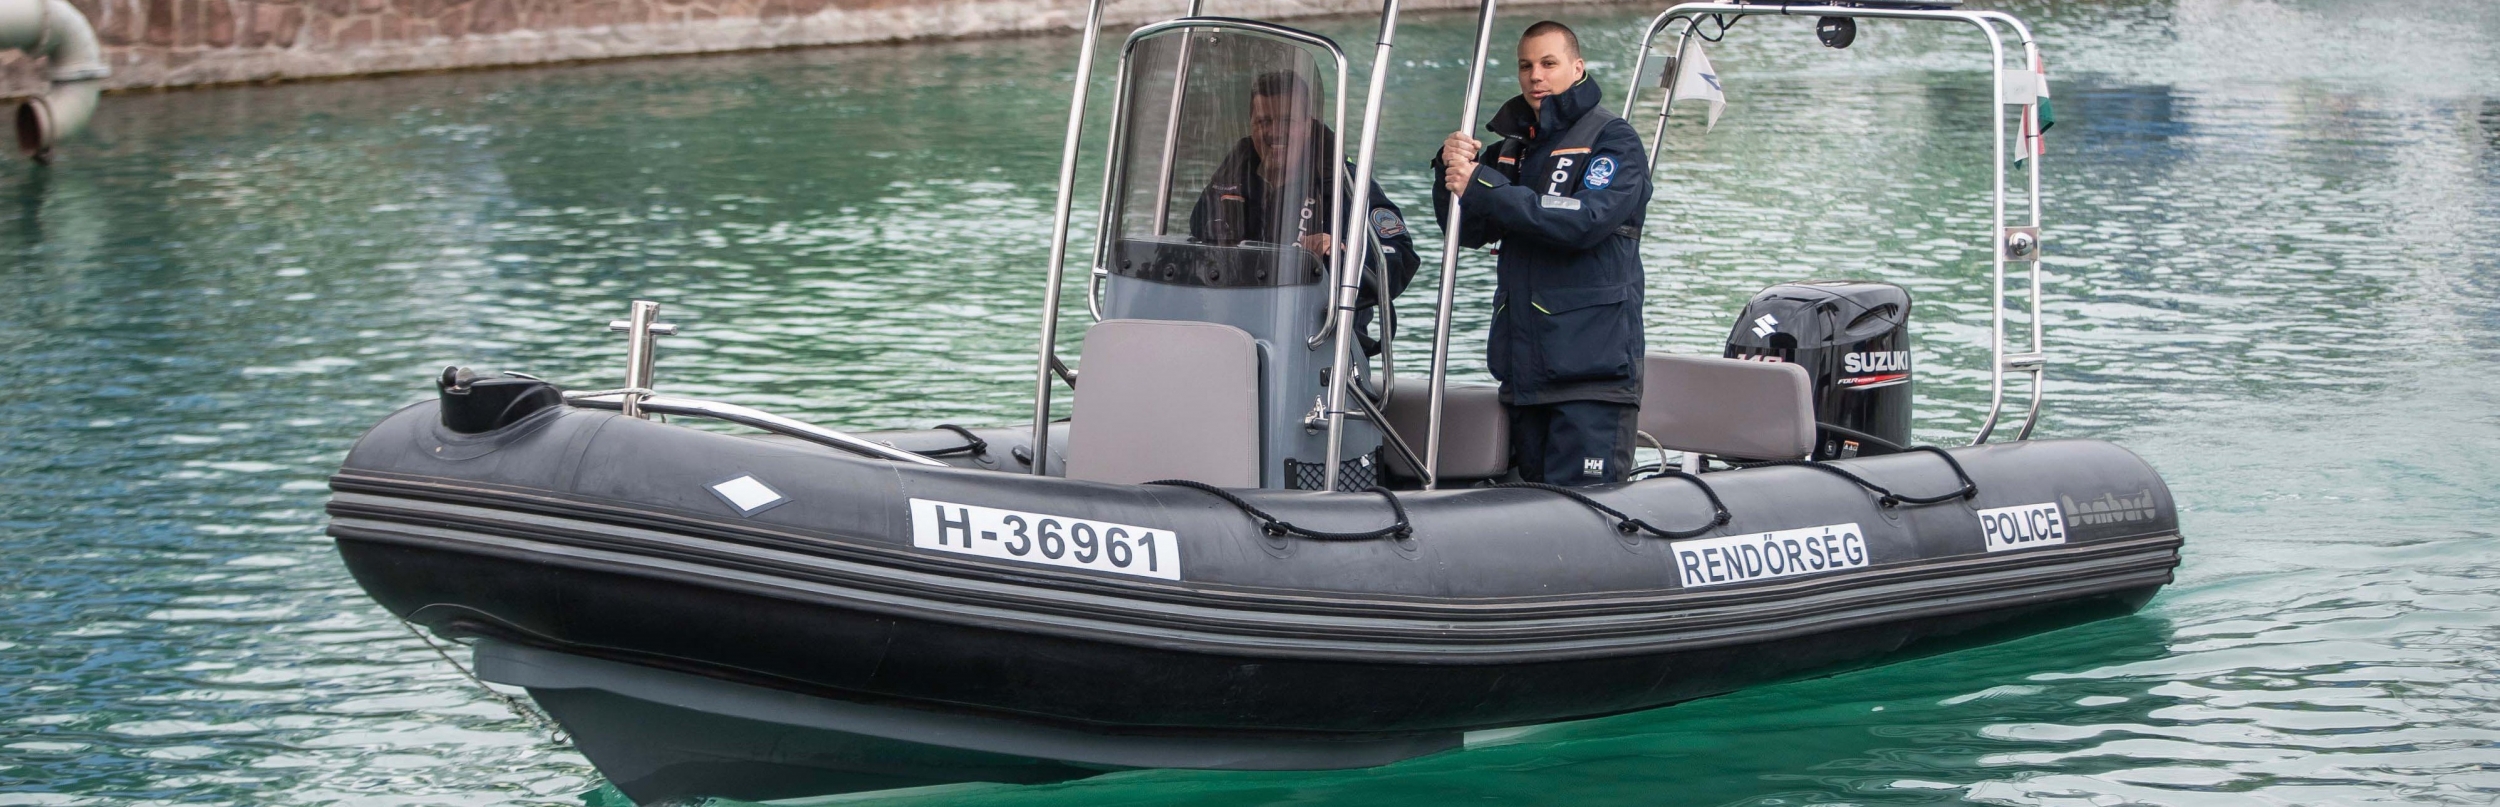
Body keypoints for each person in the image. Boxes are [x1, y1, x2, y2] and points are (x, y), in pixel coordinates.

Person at [1431, 20, 1651, 486]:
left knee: (1589, 515)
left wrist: (1485, 186)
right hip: (1526, 376)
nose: (1536, 76)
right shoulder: (1513, 147)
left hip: (1591, 378)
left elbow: (1585, 221)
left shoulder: (1614, 139)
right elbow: (1467, 231)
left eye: (1549, 64)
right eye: (1526, 66)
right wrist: (1448, 167)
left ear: (1578, 67)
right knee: (1528, 513)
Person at [1194, 70, 1420, 353]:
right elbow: (1195, 239)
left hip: (1323, 347)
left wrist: (1342, 254)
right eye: (1264, 121)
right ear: (1250, 125)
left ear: (1308, 125)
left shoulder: (1345, 182)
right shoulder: (1231, 176)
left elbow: (1400, 257)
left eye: (1286, 121)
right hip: (1236, 339)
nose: (1274, 132)